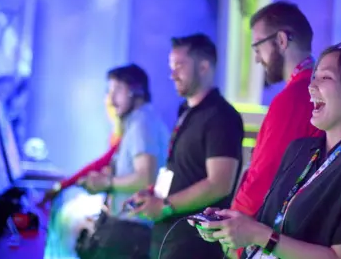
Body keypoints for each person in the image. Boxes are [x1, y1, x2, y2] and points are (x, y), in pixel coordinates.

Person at [194, 39, 341, 259]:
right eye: (314, 76)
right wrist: (234, 226)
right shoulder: (301, 150)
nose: (311, 86)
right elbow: (272, 222)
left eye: (325, 77)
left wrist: (260, 236)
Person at [128, 33, 244, 259]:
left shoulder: (221, 115)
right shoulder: (185, 110)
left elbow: (219, 183)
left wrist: (165, 205)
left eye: (179, 65)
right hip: (167, 237)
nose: (172, 74)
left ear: (203, 66)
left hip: (194, 244)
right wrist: (154, 195)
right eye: (171, 66)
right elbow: (182, 169)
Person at [230, 1, 323, 257]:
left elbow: (265, 175)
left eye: (257, 46)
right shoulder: (312, 92)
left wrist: (232, 227)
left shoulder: (295, 97)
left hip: (278, 236)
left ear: (281, 40)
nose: (257, 58)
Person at [77, 64, 170, 259]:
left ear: (136, 91)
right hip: (130, 229)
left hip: (130, 230)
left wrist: (107, 183)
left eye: (117, 90)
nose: (111, 100)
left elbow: (146, 177)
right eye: (109, 91)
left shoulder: (142, 123)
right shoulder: (141, 121)